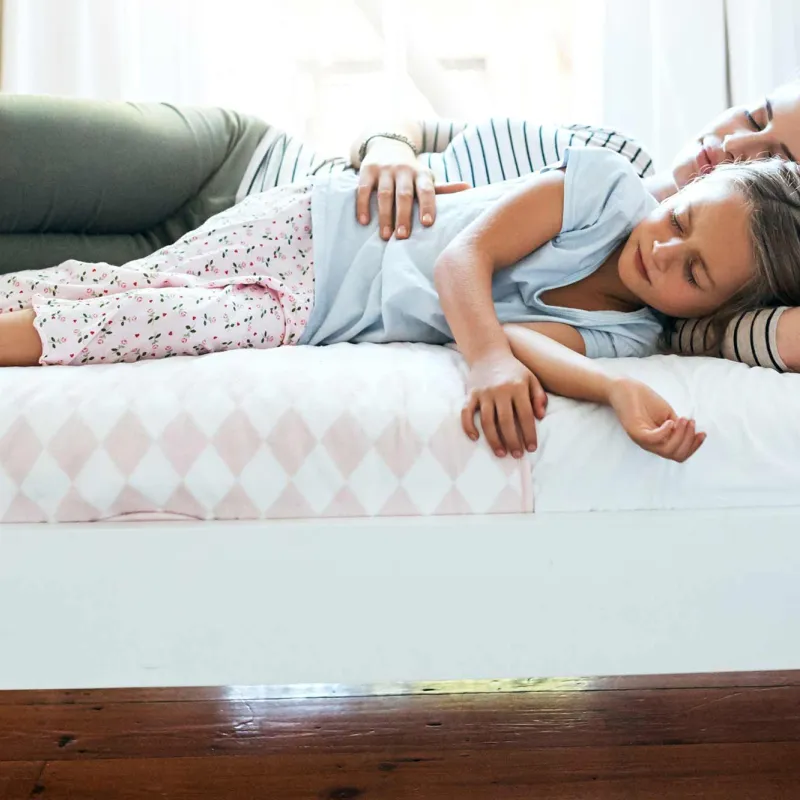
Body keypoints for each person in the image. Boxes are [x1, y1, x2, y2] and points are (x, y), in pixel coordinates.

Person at [2, 146, 800, 464]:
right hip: (319, 234)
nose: (663, 251)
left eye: (693, 273)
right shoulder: (600, 194)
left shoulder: (629, 333)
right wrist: (483, 361)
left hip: (325, 315)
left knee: (129, 296)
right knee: (163, 308)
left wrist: (616, 390)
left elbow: (532, 343)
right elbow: (465, 260)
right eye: (680, 222)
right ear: (682, 191)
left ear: (716, 305)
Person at [347, 80, 800, 372]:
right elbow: (413, 127)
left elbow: (781, 337)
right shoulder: (607, 155)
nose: (738, 141)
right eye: (756, 116)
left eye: (776, 161)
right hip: (325, 194)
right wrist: (390, 148)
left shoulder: (667, 316)